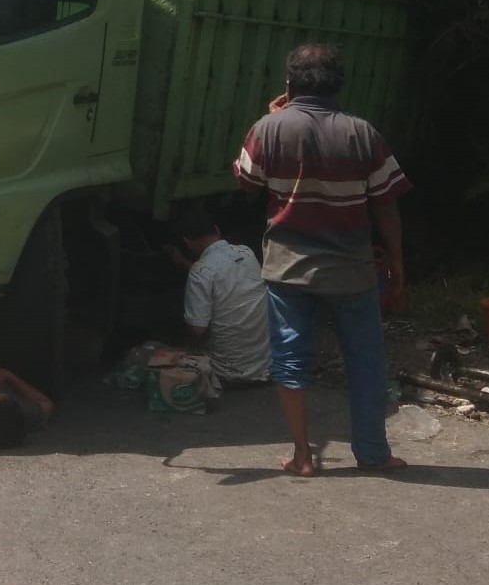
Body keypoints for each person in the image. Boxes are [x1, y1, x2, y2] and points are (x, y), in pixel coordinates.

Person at [233, 43, 411, 477]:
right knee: (366, 362)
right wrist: (398, 262)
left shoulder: (269, 128)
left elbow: (245, 181)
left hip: (288, 268)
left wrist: (274, 117)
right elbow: (386, 204)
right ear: (337, 85)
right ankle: (373, 453)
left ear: (290, 84)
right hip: (352, 269)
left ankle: (303, 456)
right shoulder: (362, 133)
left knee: (291, 360)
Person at [165, 210, 271, 386]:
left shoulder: (200, 272)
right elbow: (221, 274)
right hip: (265, 368)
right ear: (217, 230)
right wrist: (185, 264)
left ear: (187, 242)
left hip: (227, 374)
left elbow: (198, 330)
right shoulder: (246, 253)